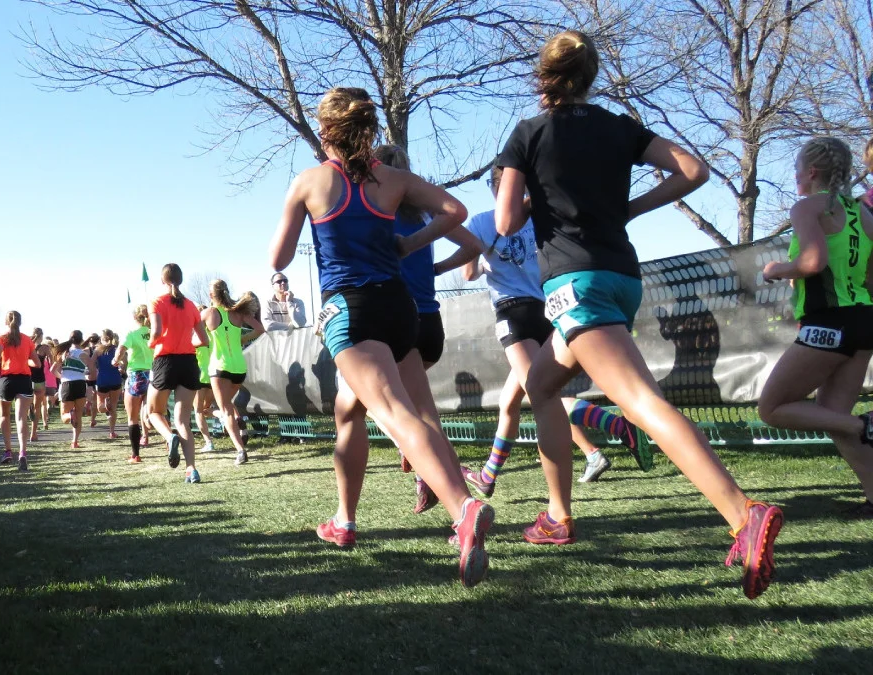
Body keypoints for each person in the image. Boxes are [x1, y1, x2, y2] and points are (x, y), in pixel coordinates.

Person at [496, 31, 781, 599]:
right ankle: (556, 516)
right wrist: (626, 209)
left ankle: (742, 512)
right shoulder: (620, 127)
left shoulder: (528, 133)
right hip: (619, 277)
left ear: (543, 76)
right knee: (540, 383)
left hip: (576, 283)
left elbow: (505, 223)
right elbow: (693, 171)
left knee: (642, 402)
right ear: (590, 75)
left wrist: (536, 198)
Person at [268, 86, 491, 587]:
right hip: (400, 310)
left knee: (396, 416)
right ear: (368, 129)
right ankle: (344, 521)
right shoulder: (393, 179)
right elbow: (455, 212)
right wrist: (409, 242)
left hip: (353, 310)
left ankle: (463, 509)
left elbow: (278, 260)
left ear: (324, 131)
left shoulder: (309, 182)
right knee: (365, 411)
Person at [444, 165, 651, 498]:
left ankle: (617, 427)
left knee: (542, 395)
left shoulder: (483, 221)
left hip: (513, 313)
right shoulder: (543, 217)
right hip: (548, 309)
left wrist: (481, 260)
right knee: (510, 401)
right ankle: (489, 474)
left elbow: (468, 274)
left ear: (496, 189)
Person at [758, 137, 873, 518]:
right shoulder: (864, 214)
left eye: (796, 170)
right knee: (833, 415)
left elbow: (812, 262)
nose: (794, 178)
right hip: (864, 321)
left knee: (772, 408)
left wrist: (778, 270)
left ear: (810, 172)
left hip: (830, 324)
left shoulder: (808, 206)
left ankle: (865, 423)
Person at [147, 264, 210, 483]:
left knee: (153, 412)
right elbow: (203, 340)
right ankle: (191, 469)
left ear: (162, 280)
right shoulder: (192, 306)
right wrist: (185, 342)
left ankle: (169, 436)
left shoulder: (156, 302)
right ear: (180, 280)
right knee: (183, 419)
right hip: (189, 362)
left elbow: (155, 332)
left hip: (165, 361)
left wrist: (151, 343)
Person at [203, 282, 265, 465]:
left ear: (210, 295)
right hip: (239, 367)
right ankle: (238, 421)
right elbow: (260, 329)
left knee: (224, 410)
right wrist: (243, 339)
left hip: (219, 367)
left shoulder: (209, 313)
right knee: (225, 406)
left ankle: (240, 450)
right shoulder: (238, 312)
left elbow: (191, 332)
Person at [0, 311, 41, 470]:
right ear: (20, 322)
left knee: (4, 415)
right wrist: (24, 360)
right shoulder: (27, 340)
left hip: (6, 379)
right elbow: (37, 363)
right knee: (21, 418)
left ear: (6, 322)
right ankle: (22, 452)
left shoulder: (2, 338)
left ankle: (8, 450)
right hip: (24, 380)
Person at [115, 305, 154, 463]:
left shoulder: (132, 333)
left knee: (132, 418)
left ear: (134, 317)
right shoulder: (154, 332)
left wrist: (115, 360)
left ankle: (135, 455)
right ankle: (165, 439)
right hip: (154, 373)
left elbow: (121, 349)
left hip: (136, 374)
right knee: (155, 410)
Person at [54, 331, 92, 449]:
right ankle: (75, 442)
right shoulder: (83, 354)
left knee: (64, 416)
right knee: (79, 415)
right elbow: (92, 370)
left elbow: (52, 370)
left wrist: (63, 377)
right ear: (81, 340)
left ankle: (71, 416)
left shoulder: (64, 353)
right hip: (80, 384)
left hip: (66, 385)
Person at [94, 330, 123, 440]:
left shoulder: (98, 350)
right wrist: (121, 368)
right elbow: (122, 364)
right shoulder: (117, 349)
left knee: (100, 407)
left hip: (102, 380)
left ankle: (105, 406)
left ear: (102, 339)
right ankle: (112, 432)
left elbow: (91, 363)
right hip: (115, 379)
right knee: (114, 407)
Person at [193, 318, 215, 453]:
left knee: (199, 411)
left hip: (200, 375)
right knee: (206, 410)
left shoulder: (196, 336)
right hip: (213, 374)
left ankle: (208, 442)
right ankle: (225, 417)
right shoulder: (214, 335)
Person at [28, 328, 49, 441]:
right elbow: (52, 361)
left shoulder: (27, 346)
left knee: (27, 402)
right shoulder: (45, 348)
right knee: (38, 407)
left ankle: (28, 408)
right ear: (42, 336)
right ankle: (33, 433)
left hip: (27, 379)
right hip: (40, 379)